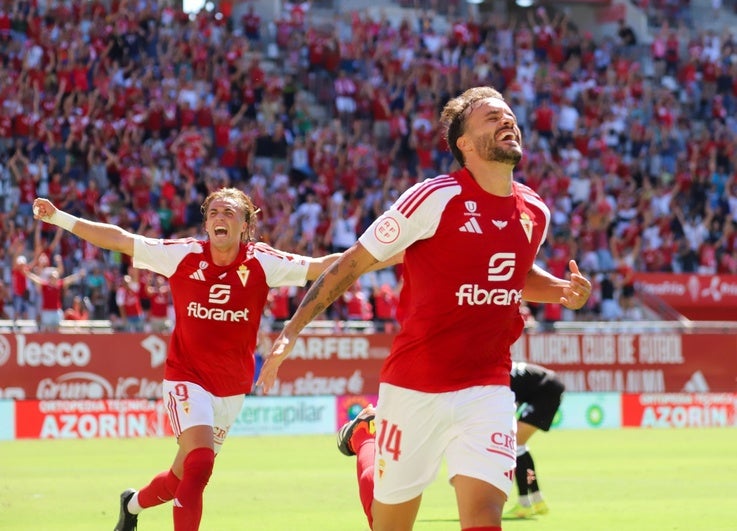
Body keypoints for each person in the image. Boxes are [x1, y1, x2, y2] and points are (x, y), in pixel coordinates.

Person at [257, 86, 591, 531]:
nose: (507, 121)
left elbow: (514, 276)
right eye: (492, 117)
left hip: (487, 386)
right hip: (415, 386)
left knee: (484, 520)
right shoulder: (433, 198)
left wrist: (561, 291)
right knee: (388, 524)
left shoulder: (535, 211)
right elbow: (351, 264)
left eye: (509, 115)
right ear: (465, 145)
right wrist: (290, 331)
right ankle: (364, 437)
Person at [31, 187, 349, 531]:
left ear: (245, 225)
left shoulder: (262, 261)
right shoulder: (183, 255)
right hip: (187, 377)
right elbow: (122, 240)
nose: (219, 218)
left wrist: (384, 250)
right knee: (199, 465)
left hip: (231, 388)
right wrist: (59, 217)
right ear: (206, 223)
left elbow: (321, 267)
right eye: (213, 213)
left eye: (228, 212)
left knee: (179, 479)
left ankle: (132, 504)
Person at [502, 361, 565, 520]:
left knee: (515, 443)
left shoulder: (499, 380)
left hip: (546, 390)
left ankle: (525, 504)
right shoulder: (503, 371)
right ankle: (537, 500)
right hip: (548, 387)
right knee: (519, 445)